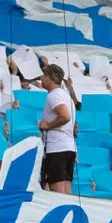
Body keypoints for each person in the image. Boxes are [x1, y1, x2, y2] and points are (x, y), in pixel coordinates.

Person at [37, 63, 77, 194]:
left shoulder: (54, 95)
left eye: (44, 75)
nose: (41, 78)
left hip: (57, 148)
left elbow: (65, 116)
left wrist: (47, 125)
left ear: (51, 78)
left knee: (58, 194)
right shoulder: (68, 97)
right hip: (69, 147)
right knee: (67, 190)